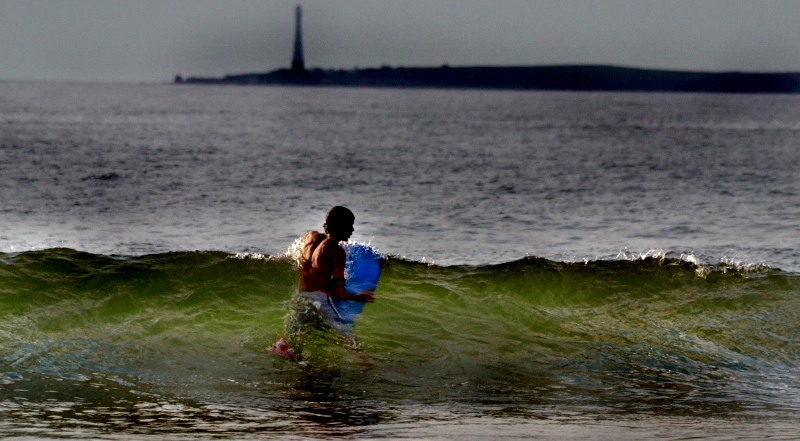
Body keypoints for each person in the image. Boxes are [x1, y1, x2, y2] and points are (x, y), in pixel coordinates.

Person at [271, 206, 374, 358]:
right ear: (339, 226)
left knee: (291, 340)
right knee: (348, 337)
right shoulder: (337, 252)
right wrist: (357, 296)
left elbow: (297, 255)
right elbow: (339, 292)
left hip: (302, 297)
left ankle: (277, 354)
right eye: (349, 225)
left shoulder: (309, 237)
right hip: (321, 300)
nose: (352, 230)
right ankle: (366, 367)